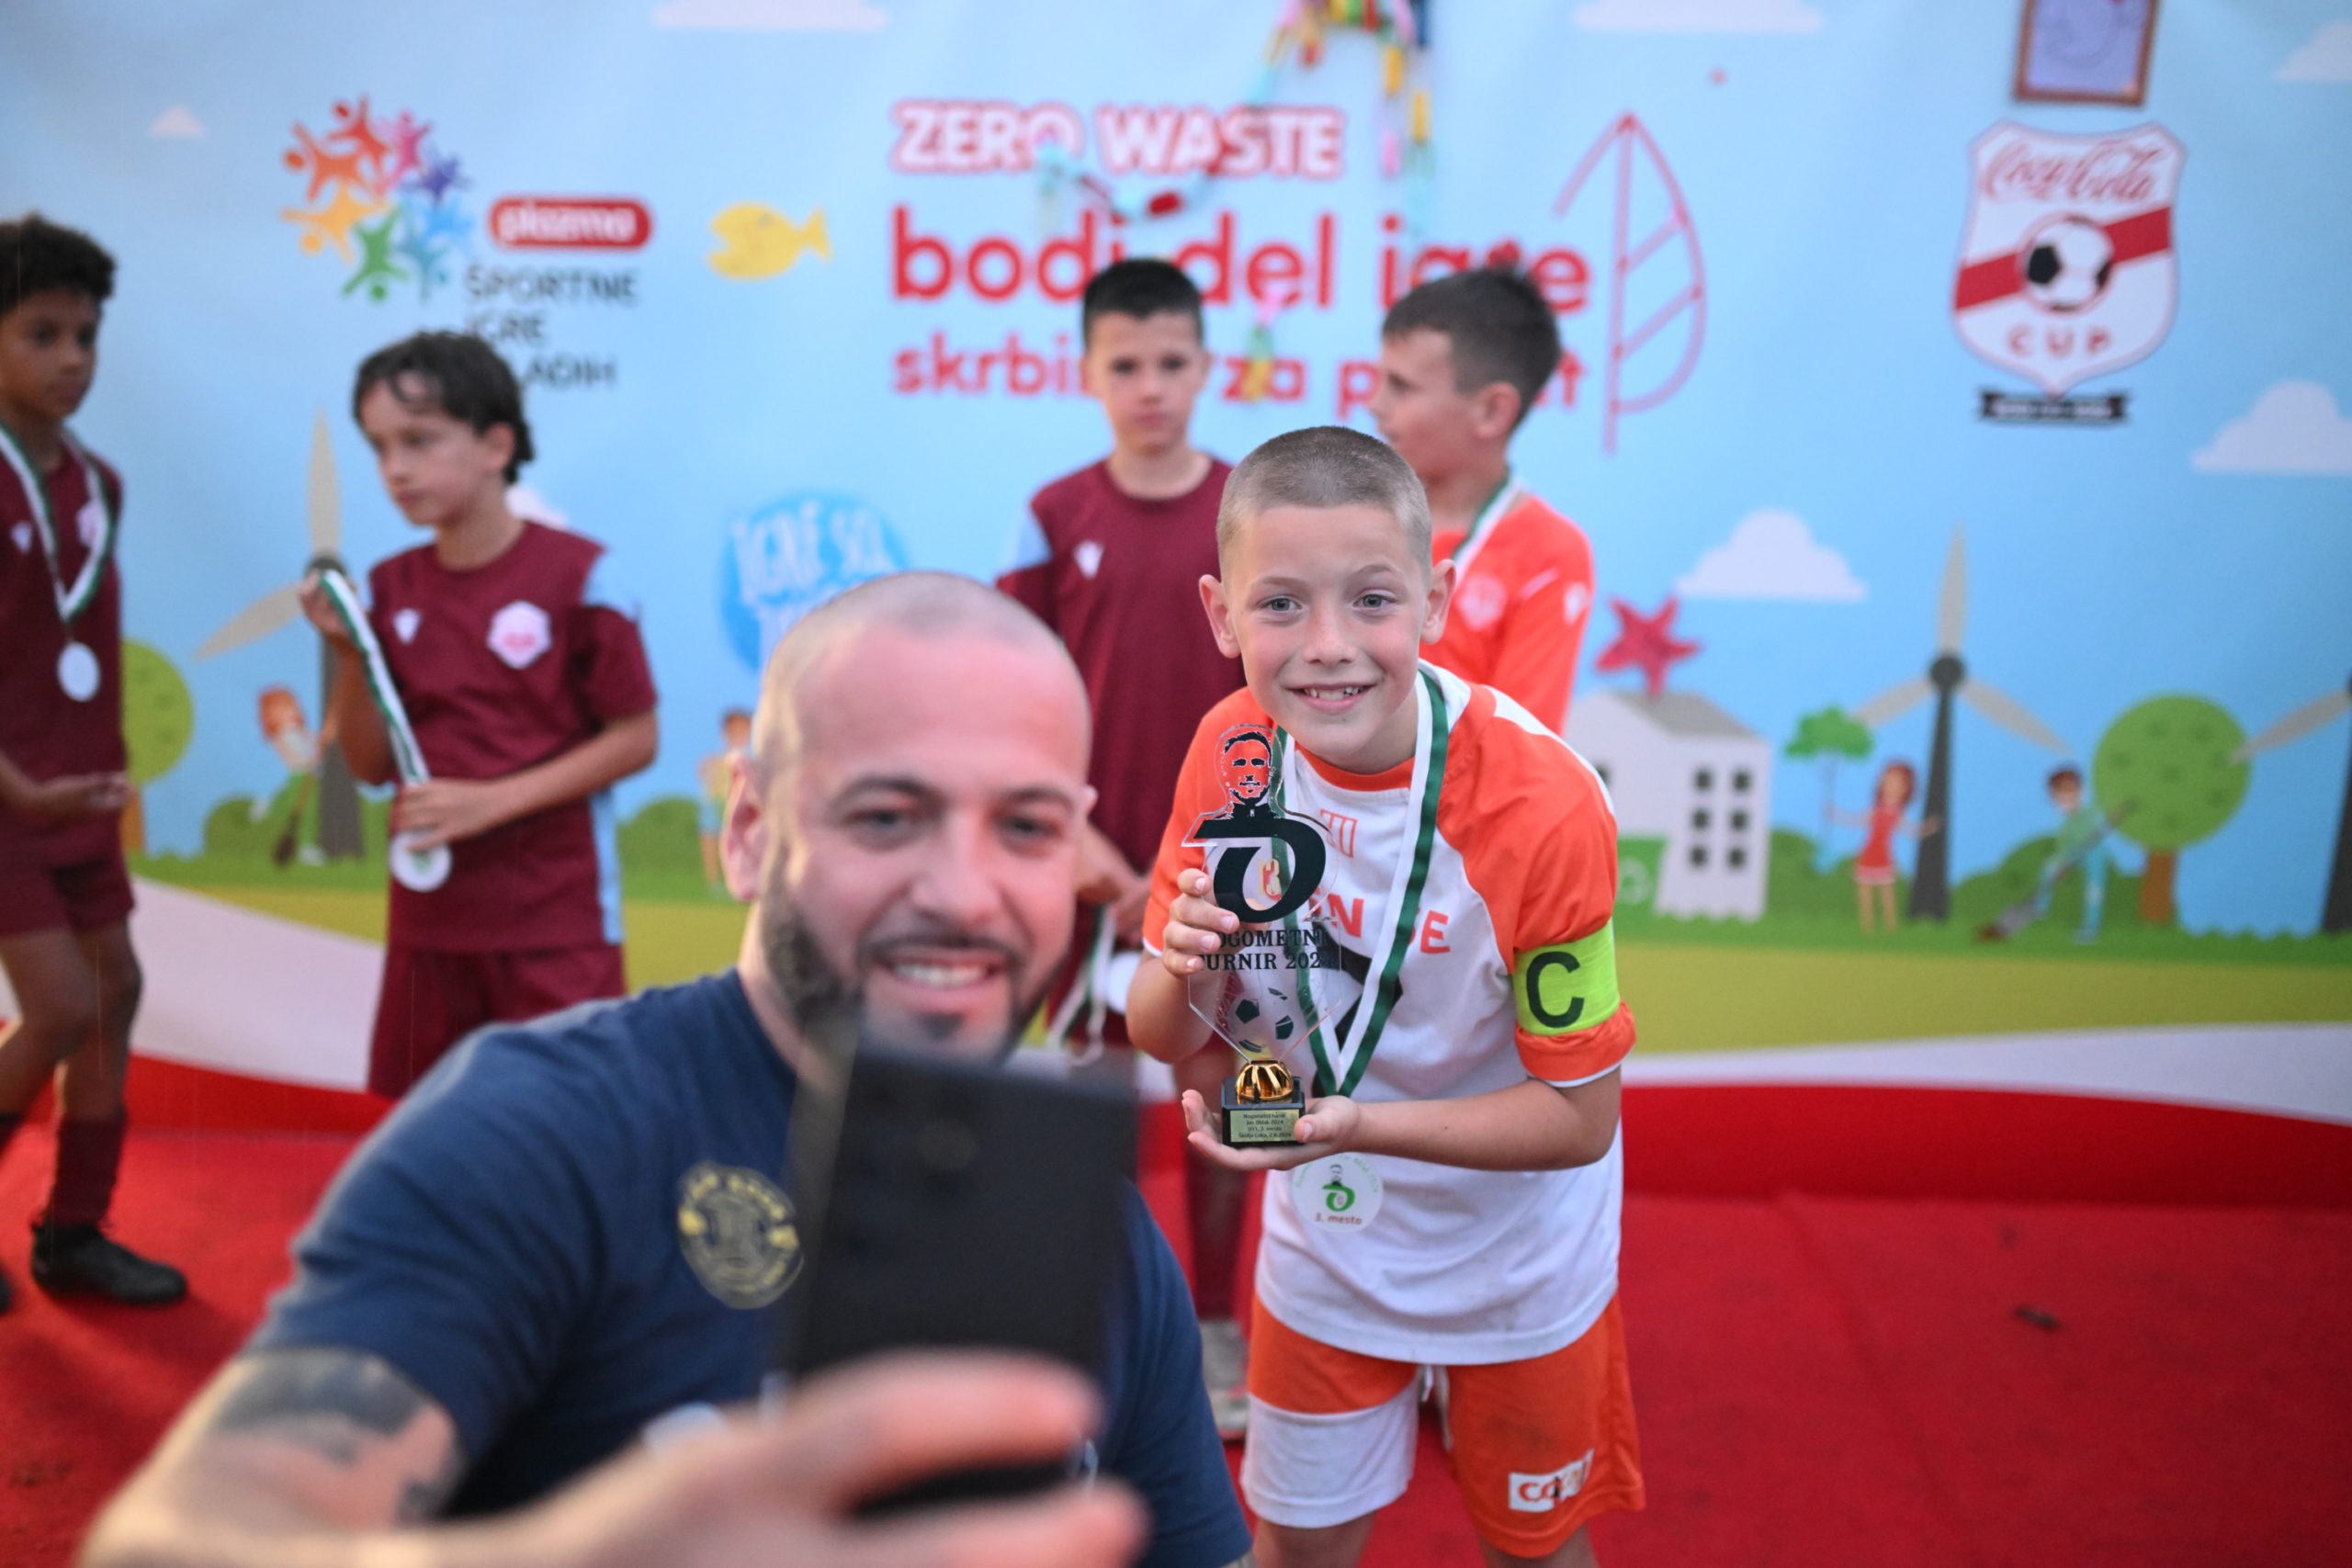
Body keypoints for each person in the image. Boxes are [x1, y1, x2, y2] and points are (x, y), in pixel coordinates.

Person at [82, 572, 1253, 1568]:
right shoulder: (544, 1130)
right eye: (886, 817)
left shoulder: (1094, 1234)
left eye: (1027, 828)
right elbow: (173, 1544)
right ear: (748, 832)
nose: (961, 892)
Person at [1129, 428, 1643, 1568]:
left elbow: (1579, 1119)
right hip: (1327, 1239)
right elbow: (1163, 1035)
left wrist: (1353, 1125)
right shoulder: (1230, 753)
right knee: (1297, 1549)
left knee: (1534, 1552)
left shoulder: (1546, 807)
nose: (1327, 647)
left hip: (1518, 1261)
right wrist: (1185, 966)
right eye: (1279, 605)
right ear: (1220, 615)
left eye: (1371, 600)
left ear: (1436, 600)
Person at [996, 258, 1251, 1435]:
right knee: (1088, 1096)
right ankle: (1080, 1316)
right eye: (1126, 364)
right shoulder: (1055, 514)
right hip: (1089, 869)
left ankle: (1216, 1322)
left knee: (1222, 1098)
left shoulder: (1251, 510)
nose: (1151, 386)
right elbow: (1015, 691)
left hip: (1228, 868)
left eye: (1172, 363)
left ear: (1206, 368)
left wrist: (1229, 846)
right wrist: (1077, 836)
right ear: (1088, 372)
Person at [298, 332, 659, 1099]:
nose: (395, 469)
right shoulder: (388, 587)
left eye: (419, 441)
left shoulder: (582, 576)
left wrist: (493, 802)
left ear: (496, 445)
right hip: (429, 926)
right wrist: (350, 653)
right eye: (380, 447)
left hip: (556, 922)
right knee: (414, 1131)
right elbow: (368, 766)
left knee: (567, 1123)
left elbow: (637, 737)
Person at [0, 213, 186, 1311]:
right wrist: (24, 787)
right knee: (62, 1008)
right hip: (7, 800)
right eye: (42, 335)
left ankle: (74, 1230)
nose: (73, 359)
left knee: (117, 992)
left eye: (86, 336)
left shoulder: (98, 483)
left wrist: (86, 778)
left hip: (75, 795)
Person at [1369, 264, 1595, 734]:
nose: (1375, 404)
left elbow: (1520, 741)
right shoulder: (1354, 520)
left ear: (1492, 410)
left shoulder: (1550, 555)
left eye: (1401, 386)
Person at [2029, 765, 2120, 943]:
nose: (2066, 799)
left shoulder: (2089, 812)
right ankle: (2040, 906)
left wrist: (2113, 809)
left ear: (2080, 791)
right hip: (2074, 854)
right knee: (2049, 868)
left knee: (2094, 890)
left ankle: (2090, 929)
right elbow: (2063, 847)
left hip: (2094, 853)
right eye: (2060, 796)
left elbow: (2101, 803)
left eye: (2071, 793)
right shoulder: (2066, 825)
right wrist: (2063, 864)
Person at [1839, 759, 1928, 932]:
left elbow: (1910, 830)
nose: (1891, 786)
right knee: (1864, 891)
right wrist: (1839, 815)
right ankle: (1867, 926)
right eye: (1888, 781)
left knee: (1886, 891)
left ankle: (1890, 926)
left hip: (1883, 855)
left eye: (1897, 783)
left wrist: (1926, 829)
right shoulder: (1876, 810)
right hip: (1868, 853)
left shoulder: (1896, 812)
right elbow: (1858, 820)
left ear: (1906, 788)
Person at [698, 707, 752, 891]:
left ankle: (739, 878)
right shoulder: (718, 760)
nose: (738, 736)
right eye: (734, 731)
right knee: (711, 839)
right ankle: (713, 881)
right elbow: (705, 773)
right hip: (716, 804)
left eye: (742, 731)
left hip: (739, 806)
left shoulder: (749, 760)